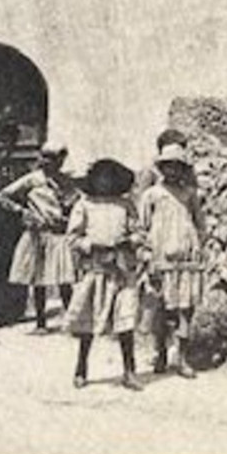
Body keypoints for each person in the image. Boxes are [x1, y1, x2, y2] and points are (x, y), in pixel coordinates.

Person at [65, 157, 145, 390]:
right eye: (101, 177)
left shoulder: (125, 205)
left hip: (121, 271)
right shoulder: (84, 205)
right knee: (87, 322)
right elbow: (73, 238)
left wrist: (130, 241)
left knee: (125, 321)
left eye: (110, 177)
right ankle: (81, 368)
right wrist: (92, 245)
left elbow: (139, 232)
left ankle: (130, 371)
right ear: (93, 180)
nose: (105, 182)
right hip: (96, 270)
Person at [138, 132, 206, 379]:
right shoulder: (152, 195)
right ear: (161, 167)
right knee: (162, 309)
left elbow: (200, 223)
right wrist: (146, 254)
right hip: (161, 257)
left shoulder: (190, 194)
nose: (172, 171)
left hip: (186, 258)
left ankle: (183, 357)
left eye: (177, 166)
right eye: (168, 166)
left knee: (185, 309)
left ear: (183, 168)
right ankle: (161, 353)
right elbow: (141, 227)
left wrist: (198, 245)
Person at [0, 145, 77, 333]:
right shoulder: (32, 180)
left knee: (64, 277)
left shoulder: (64, 180)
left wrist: (69, 209)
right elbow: (3, 196)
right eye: (48, 158)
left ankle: (73, 320)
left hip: (58, 232)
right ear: (41, 159)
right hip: (38, 232)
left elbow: (76, 199)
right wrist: (23, 212)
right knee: (38, 276)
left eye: (57, 159)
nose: (52, 163)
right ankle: (41, 322)